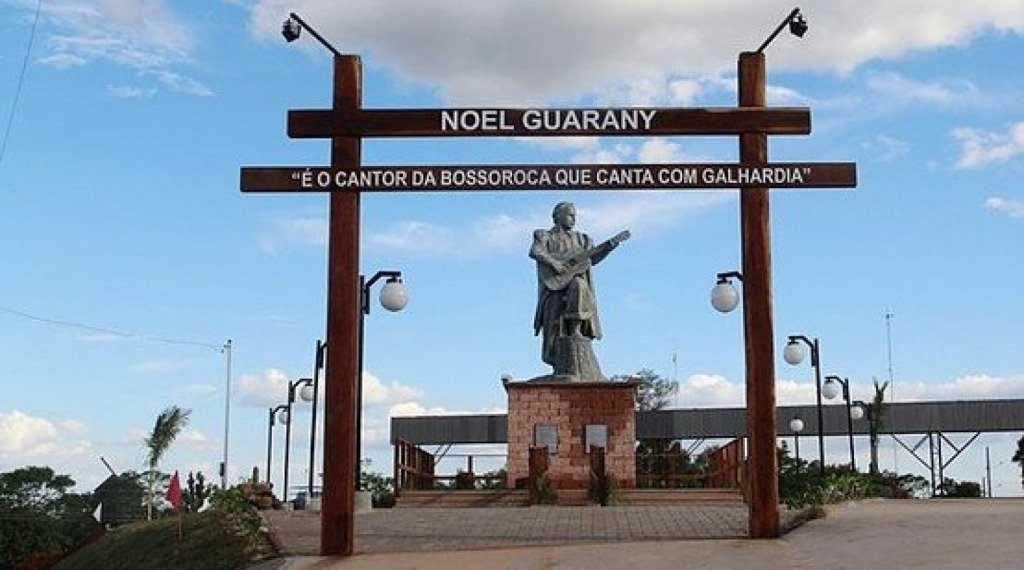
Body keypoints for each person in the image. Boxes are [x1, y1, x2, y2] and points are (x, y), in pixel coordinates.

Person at [530, 202, 626, 379]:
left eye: (575, 216)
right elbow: (536, 251)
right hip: (553, 287)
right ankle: (559, 368)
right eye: (570, 215)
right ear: (557, 216)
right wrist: (555, 263)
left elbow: (592, 258)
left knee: (579, 285)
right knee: (552, 332)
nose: (573, 219)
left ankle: (576, 330)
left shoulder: (582, 239)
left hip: (574, 286)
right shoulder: (544, 235)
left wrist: (610, 246)